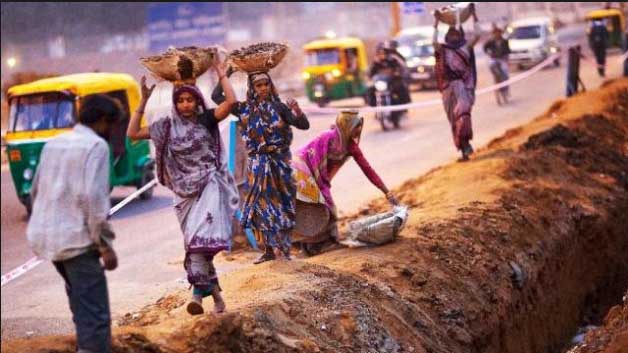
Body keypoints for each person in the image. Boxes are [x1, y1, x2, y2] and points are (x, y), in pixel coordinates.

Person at [127, 60, 240, 316]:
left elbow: (230, 104)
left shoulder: (206, 119)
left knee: (199, 246)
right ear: (175, 103)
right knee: (194, 247)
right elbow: (133, 133)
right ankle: (219, 299)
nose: (186, 104)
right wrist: (143, 102)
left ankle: (197, 297)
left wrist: (222, 76)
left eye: (190, 99)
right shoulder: (165, 126)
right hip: (182, 195)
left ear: (197, 100)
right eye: (181, 100)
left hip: (209, 188)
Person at [26, 94, 122, 353]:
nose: (111, 132)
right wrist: (104, 245)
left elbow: (35, 191)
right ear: (103, 121)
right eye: (111, 125)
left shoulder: (54, 143)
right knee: (96, 316)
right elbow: (92, 200)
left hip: (47, 238)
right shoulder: (96, 147)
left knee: (81, 305)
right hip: (77, 241)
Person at [212, 69, 310, 264]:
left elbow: (303, 125)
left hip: (279, 163)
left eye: (266, 84)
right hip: (257, 165)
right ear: (252, 88)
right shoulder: (242, 109)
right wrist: (227, 73)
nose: (263, 88)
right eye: (259, 85)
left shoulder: (280, 107)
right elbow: (216, 96)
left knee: (282, 205)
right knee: (259, 207)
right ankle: (268, 251)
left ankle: (284, 250)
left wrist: (297, 110)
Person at [292, 110, 398, 243]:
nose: (358, 129)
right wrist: (319, 185)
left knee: (326, 207)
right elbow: (312, 157)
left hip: (316, 175)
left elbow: (368, 169)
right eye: (355, 126)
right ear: (345, 126)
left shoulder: (351, 147)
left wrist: (387, 192)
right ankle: (308, 242)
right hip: (300, 167)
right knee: (318, 204)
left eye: (360, 126)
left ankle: (321, 241)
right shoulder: (326, 137)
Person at [433, 4, 481, 162]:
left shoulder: (466, 47)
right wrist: (436, 24)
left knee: (463, 116)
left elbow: (478, 34)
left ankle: (466, 145)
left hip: (463, 87)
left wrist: (474, 17)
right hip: (448, 89)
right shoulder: (443, 49)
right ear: (447, 36)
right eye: (450, 34)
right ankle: (463, 149)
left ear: (460, 35)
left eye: (455, 34)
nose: (453, 36)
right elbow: (433, 42)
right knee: (453, 120)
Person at [366, 43, 411, 108]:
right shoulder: (376, 63)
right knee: (370, 90)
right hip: (380, 84)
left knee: (401, 87)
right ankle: (374, 107)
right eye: (380, 53)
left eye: (383, 53)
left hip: (392, 82)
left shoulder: (393, 60)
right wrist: (369, 77)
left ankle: (402, 108)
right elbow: (371, 72)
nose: (382, 55)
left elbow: (400, 68)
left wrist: (397, 73)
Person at [483, 24, 511, 105]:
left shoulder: (505, 41)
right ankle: (497, 89)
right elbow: (485, 48)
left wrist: (507, 59)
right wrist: (489, 53)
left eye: (498, 33)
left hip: (502, 59)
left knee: (505, 74)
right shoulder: (490, 42)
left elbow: (508, 51)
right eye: (495, 33)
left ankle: (506, 89)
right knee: (493, 68)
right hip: (494, 59)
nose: (496, 34)